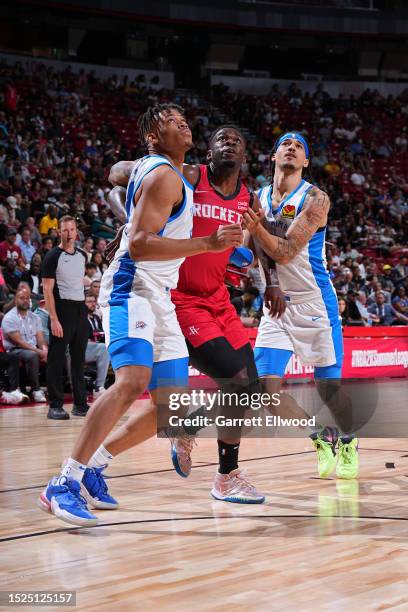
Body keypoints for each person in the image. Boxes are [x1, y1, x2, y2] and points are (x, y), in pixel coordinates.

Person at [38, 104, 242, 526]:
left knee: (170, 408)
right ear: (152, 134)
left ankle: (95, 463)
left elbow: (118, 173)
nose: (182, 121)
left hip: (161, 293)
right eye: (170, 119)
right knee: (132, 382)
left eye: (183, 117)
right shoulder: (164, 174)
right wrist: (207, 244)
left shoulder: (168, 172)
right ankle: (64, 482)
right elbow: (141, 245)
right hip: (134, 286)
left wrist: (128, 183)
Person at [106, 125, 270, 503]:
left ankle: (216, 462)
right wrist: (130, 222)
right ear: (207, 153)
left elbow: (256, 246)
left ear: (244, 156)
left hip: (219, 299)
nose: (229, 143)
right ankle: (222, 470)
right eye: (221, 139)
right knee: (235, 378)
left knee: (251, 389)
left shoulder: (249, 199)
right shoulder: (186, 176)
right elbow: (117, 179)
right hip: (180, 298)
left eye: (237, 140)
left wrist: (268, 282)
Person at [243, 132, 359, 480]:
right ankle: (320, 438)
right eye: (285, 144)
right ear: (273, 154)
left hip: (314, 304)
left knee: (328, 388)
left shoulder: (315, 198)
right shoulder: (257, 198)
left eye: (299, 146)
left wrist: (255, 226)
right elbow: (249, 253)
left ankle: (349, 440)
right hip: (275, 304)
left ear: (305, 161)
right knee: (266, 389)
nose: (291, 148)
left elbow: (286, 250)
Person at [42, 215, 89, 420]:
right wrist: (53, 318)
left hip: (80, 309)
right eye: (65, 230)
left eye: (72, 230)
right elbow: (47, 290)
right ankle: (55, 405)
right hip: (62, 309)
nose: (69, 233)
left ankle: (80, 404)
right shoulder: (52, 256)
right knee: (56, 358)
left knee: (79, 360)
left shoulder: (82, 255)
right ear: (59, 232)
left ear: (76, 232)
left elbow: (79, 281)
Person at [1, 286, 47, 402]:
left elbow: (40, 339)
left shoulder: (35, 318)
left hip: (33, 348)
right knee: (32, 355)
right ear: (16, 300)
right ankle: (36, 389)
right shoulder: (9, 317)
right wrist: (39, 351)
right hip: (15, 350)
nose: (25, 300)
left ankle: (57, 388)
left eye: (27, 298)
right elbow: (19, 342)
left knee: (54, 352)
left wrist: (45, 350)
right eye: (22, 298)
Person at [84, 294, 109, 397]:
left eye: (94, 301)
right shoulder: (81, 318)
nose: (92, 304)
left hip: (96, 347)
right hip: (83, 348)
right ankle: (98, 386)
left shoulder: (96, 318)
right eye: (89, 302)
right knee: (103, 348)